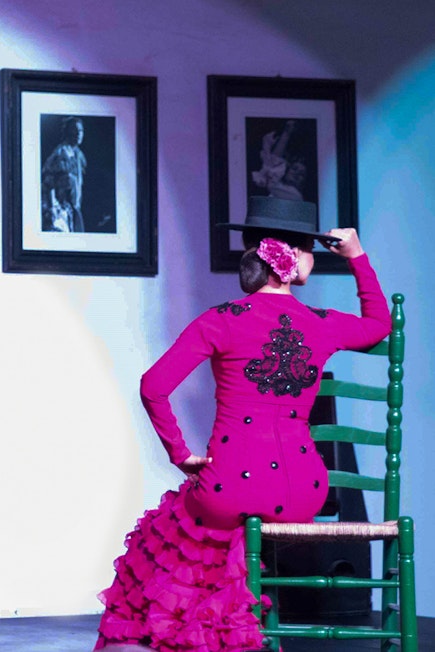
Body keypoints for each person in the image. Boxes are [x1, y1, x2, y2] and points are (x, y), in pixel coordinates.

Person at [94, 196, 391, 651]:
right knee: (215, 519)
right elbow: (379, 323)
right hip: (306, 492)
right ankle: (232, 625)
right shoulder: (322, 324)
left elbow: (153, 386)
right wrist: (356, 257)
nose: (315, 256)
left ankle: (201, 629)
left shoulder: (221, 320)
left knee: (172, 527)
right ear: (290, 260)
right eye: (310, 248)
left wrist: (182, 455)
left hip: (229, 487)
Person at [41, 116, 87, 233]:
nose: (78, 134)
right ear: (68, 131)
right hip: (60, 210)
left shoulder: (78, 154)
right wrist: (52, 209)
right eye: (74, 130)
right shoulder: (61, 153)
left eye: (80, 131)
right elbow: (48, 182)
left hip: (73, 209)